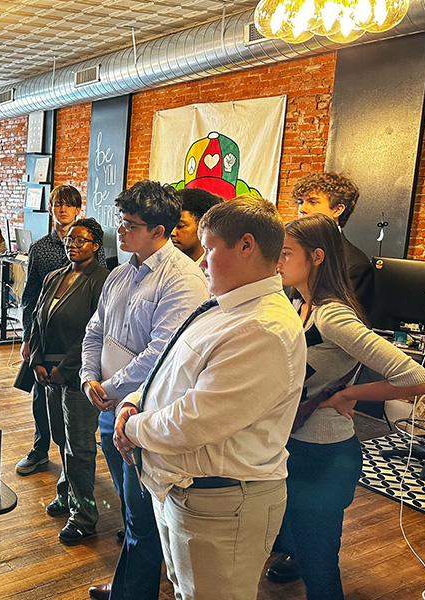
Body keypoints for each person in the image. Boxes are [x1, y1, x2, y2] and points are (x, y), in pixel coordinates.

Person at [113, 196, 307, 600]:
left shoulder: (263, 327)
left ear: (247, 246)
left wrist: (131, 426)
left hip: (223, 503)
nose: (201, 262)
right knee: (187, 591)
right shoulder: (225, 307)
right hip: (186, 489)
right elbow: (167, 370)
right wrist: (134, 400)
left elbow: (194, 421)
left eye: (210, 248)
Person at [269, 214, 425, 599]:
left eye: (287, 253)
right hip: (298, 444)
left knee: (319, 563)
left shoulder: (332, 315)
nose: (278, 260)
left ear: (317, 257)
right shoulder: (300, 304)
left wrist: (347, 395)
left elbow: (417, 379)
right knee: (299, 544)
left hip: (324, 455)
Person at [80, 181, 209, 600]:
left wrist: (114, 388)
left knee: (142, 511)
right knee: (131, 506)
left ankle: (132, 592)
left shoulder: (183, 279)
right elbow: (95, 329)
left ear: (160, 230)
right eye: (121, 220)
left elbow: (164, 352)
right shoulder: (121, 271)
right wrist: (88, 377)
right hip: (108, 402)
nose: (121, 230)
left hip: (144, 409)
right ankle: (133, 584)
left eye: (130, 224)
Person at [27, 218, 109, 545]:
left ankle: (84, 516)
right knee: (61, 438)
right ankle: (66, 493)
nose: (73, 244)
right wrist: (35, 359)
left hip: (78, 375)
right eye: (70, 239)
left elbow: (95, 331)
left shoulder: (102, 280)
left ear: (96, 246)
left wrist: (65, 367)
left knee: (80, 447)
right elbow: (37, 318)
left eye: (81, 240)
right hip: (47, 373)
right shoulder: (54, 276)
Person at [16, 185, 105, 475]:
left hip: (75, 347)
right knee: (41, 403)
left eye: (69, 205)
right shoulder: (41, 249)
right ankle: (40, 449)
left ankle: (73, 478)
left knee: (74, 428)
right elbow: (31, 298)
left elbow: (97, 306)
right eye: (57, 204)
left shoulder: (91, 249)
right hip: (44, 339)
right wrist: (29, 338)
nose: (62, 209)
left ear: (78, 209)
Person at [292, 172, 373, 315]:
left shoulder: (355, 265)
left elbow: (345, 323)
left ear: (337, 209)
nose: (302, 209)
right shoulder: (290, 252)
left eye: (313, 201)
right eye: (300, 202)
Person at [171, 188, 223, 265]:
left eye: (180, 226)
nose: (172, 232)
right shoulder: (164, 265)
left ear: (203, 226)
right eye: (170, 225)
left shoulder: (218, 268)